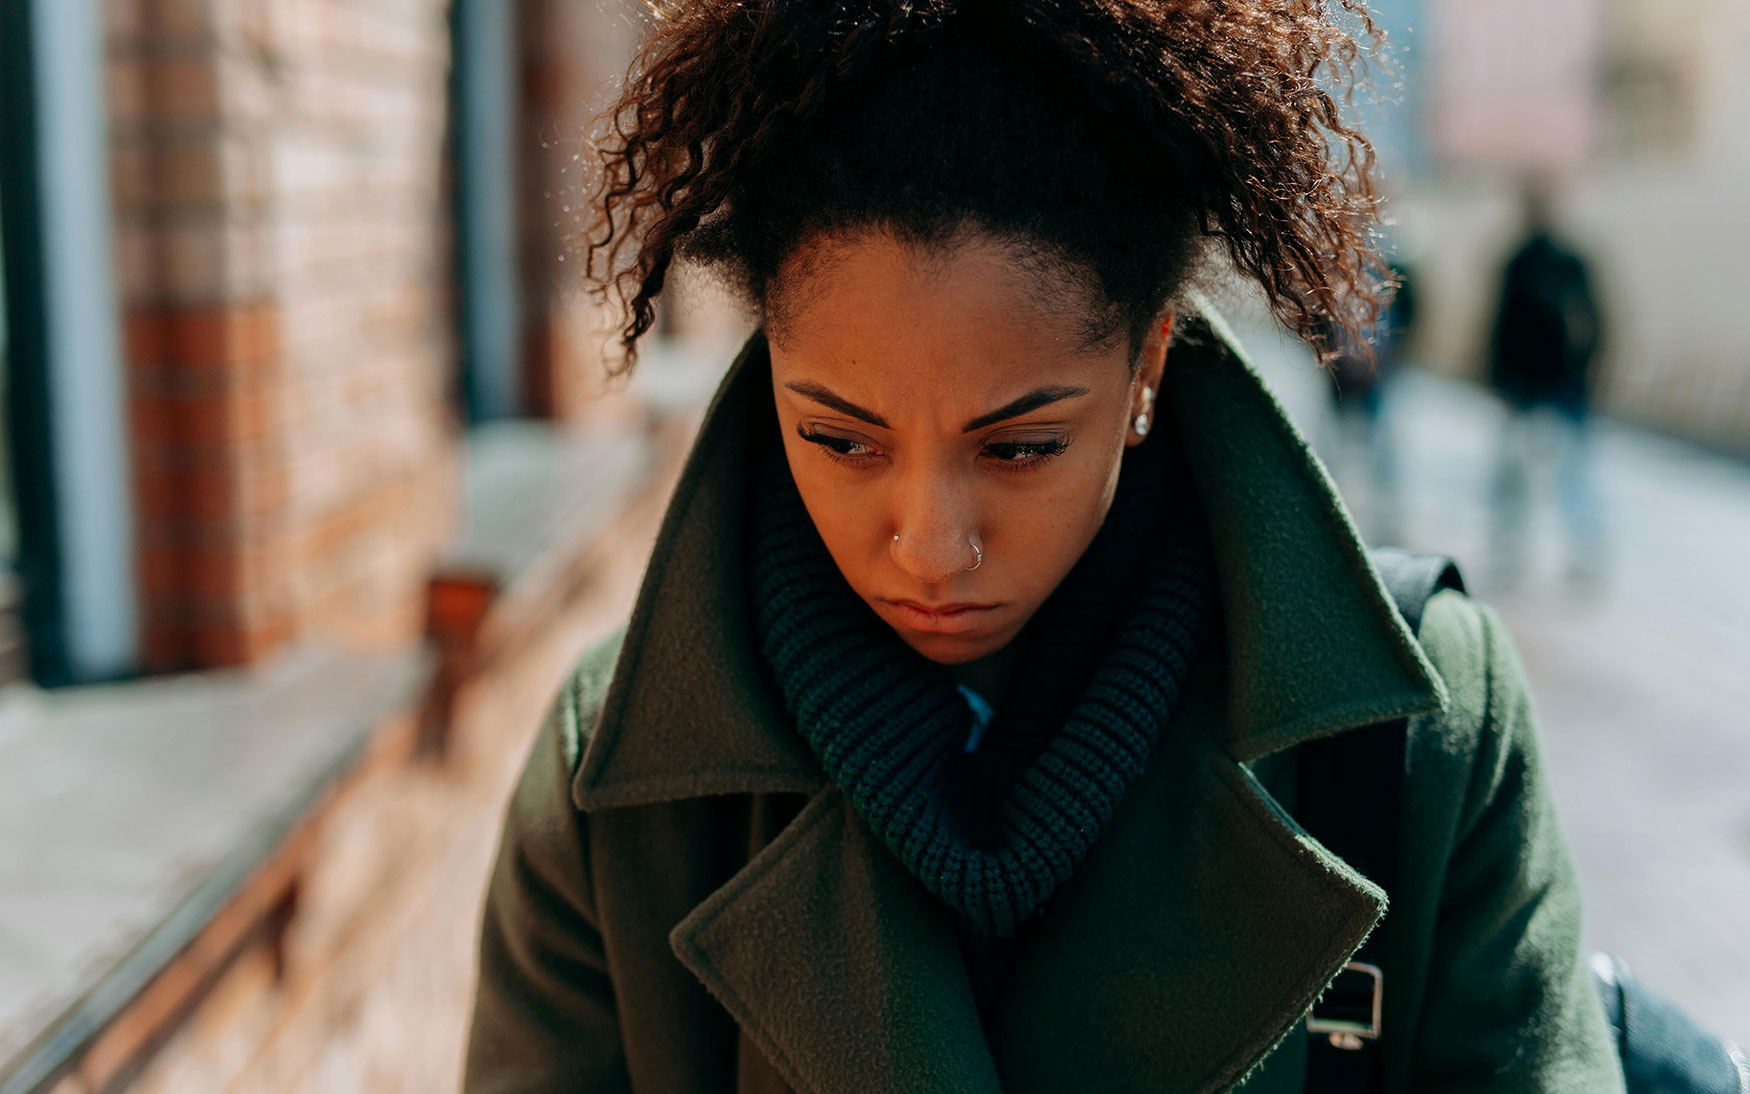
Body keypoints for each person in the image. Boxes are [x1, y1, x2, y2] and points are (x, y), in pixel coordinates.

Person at [464, 3, 1622, 1091]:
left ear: (1148, 362)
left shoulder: (1421, 739)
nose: (929, 546)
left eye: (1018, 448)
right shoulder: (615, 786)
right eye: (838, 437)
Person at [1487, 183, 1607, 585]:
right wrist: (1499, 377)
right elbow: (1499, 323)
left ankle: (1585, 553)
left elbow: (1595, 320)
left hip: (1562, 385)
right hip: (1524, 385)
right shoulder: (1516, 262)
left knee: (1573, 474)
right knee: (1512, 473)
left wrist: (1586, 369)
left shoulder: (1570, 262)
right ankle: (1509, 545)